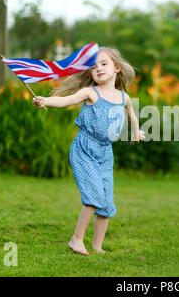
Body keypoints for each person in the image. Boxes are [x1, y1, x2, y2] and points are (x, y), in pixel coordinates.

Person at [32, 47, 146, 256]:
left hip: (105, 153)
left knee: (106, 204)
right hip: (84, 148)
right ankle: (76, 240)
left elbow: (132, 117)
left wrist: (136, 133)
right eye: (94, 67)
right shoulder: (90, 93)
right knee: (93, 197)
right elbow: (65, 100)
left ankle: (97, 246)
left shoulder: (123, 98)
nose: (98, 69)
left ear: (117, 68)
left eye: (104, 64)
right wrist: (45, 101)